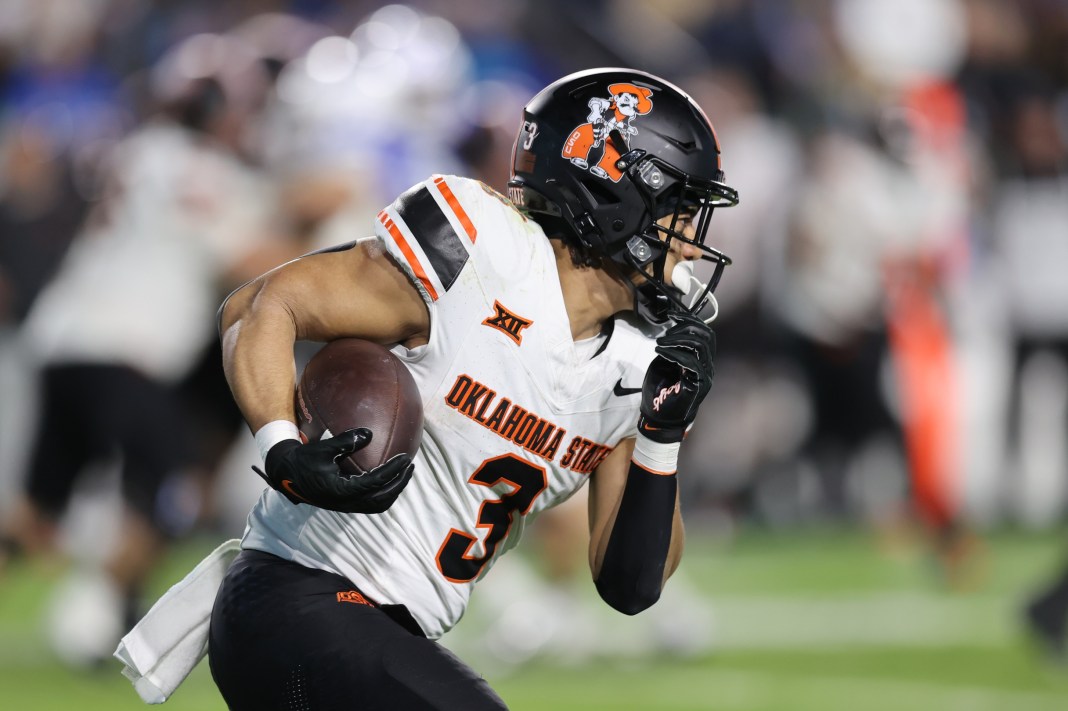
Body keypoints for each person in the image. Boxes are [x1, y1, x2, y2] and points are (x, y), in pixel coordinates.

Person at [208, 67, 738, 710]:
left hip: (379, 632)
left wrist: (661, 436)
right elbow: (260, 306)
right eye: (681, 213)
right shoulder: (483, 251)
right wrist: (281, 448)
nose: (691, 244)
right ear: (617, 193)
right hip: (299, 596)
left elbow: (631, 586)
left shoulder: (640, 356)